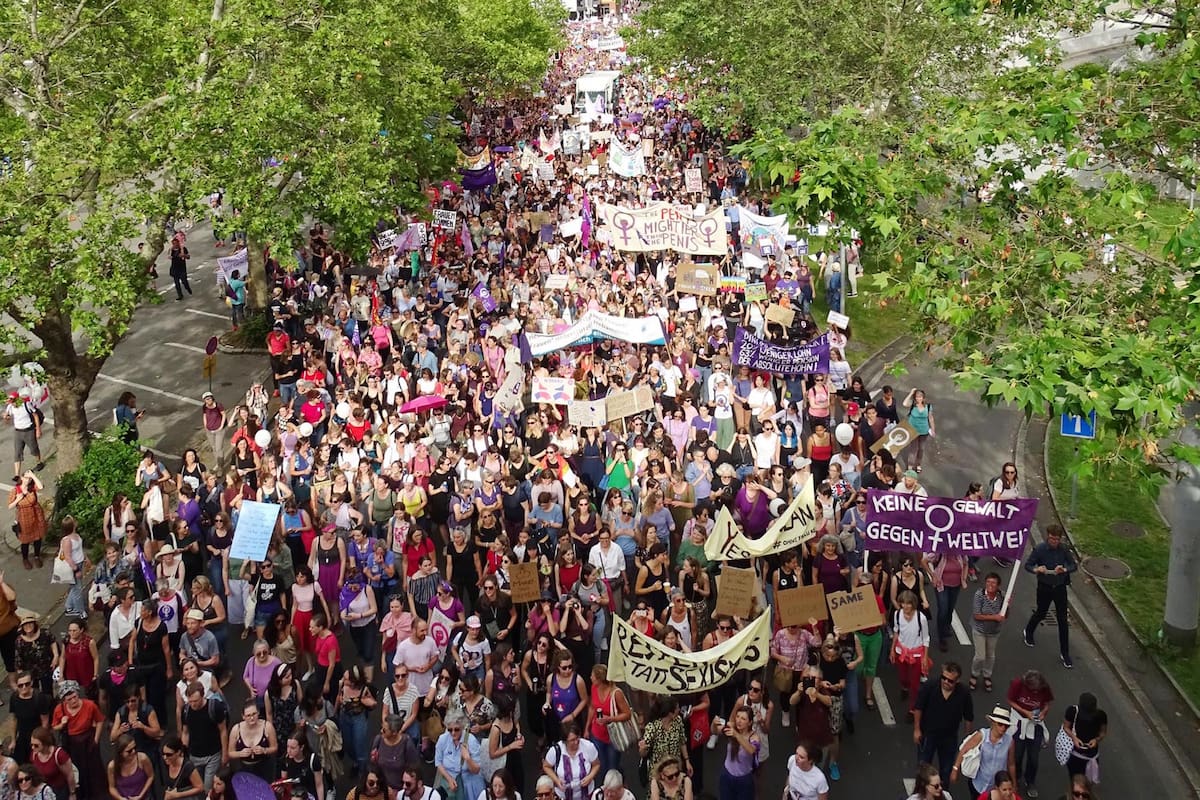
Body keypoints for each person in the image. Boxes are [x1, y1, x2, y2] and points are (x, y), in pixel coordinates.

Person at [1022, 525, 1077, 669]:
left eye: (1057, 539)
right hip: (1045, 586)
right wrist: (1037, 569)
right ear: (1048, 536)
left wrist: (1064, 569)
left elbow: (1073, 565)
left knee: (1062, 620)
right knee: (1041, 612)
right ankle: (1029, 630)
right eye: (1052, 538)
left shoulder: (1064, 549)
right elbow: (1028, 565)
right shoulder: (1040, 549)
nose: (1054, 541)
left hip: (1059, 587)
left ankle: (1065, 653)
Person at [913, 661, 974, 786]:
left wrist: (968, 738)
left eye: (950, 680)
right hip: (928, 734)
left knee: (946, 769)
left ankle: (942, 792)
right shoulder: (929, 686)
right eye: (943, 678)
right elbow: (918, 708)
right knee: (923, 766)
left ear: (957, 681)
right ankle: (921, 791)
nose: (946, 682)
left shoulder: (964, 693)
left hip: (949, 737)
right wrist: (917, 729)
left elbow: (968, 716)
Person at [50, 682, 104, 799]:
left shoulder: (90, 705)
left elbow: (100, 720)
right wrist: (62, 724)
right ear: (64, 700)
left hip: (88, 740)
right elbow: (54, 726)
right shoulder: (59, 709)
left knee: (93, 770)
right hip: (72, 744)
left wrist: (96, 739)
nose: (73, 701)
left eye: (75, 697)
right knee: (76, 771)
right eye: (69, 699)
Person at [1007, 671, 1053, 798]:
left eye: (1038, 691)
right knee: (1017, 755)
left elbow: (1048, 703)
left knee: (1034, 758)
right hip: (1019, 722)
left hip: (1035, 725)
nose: (1036, 693)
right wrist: (1025, 711)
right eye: (1033, 690)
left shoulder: (1045, 687)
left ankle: (1030, 780)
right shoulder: (1017, 684)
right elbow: (1010, 700)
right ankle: (1015, 777)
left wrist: (1043, 713)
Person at [953, 706, 1016, 797]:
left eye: (1006, 726)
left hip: (997, 787)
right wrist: (955, 769)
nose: (1003, 728)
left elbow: (1011, 764)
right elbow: (964, 750)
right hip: (979, 782)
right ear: (992, 723)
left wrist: (1014, 784)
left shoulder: (1009, 741)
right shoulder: (981, 735)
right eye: (1000, 724)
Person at [179, 683, 228, 789]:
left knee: (208, 787)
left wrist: (225, 753)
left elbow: (223, 730)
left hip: (213, 754)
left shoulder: (215, 707)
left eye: (196, 701)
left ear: (203, 695)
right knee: (197, 786)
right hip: (194, 755)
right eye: (190, 701)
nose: (193, 704)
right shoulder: (186, 710)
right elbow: (185, 732)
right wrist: (183, 752)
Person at [434, 710, 484, 800]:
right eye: (450, 730)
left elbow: (476, 770)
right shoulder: (443, 739)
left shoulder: (471, 740)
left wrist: (468, 758)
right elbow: (438, 762)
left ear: (462, 727)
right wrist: (449, 778)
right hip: (448, 782)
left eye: (456, 729)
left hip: (468, 782)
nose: (453, 733)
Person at [542, 723, 599, 800]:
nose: (576, 742)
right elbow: (546, 766)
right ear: (565, 741)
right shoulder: (556, 750)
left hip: (586, 795)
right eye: (572, 740)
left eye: (577, 738)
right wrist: (556, 780)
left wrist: (590, 777)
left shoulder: (588, 746)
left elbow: (596, 764)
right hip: (563, 796)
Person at [970, 573, 1006, 692]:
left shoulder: (1002, 596)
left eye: (993, 583)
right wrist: (994, 617)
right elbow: (977, 615)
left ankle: (987, 675)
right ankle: (974, 674)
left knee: (990, 655)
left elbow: (1005, 615)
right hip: (979, 629)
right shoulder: (979, 595)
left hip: (994, 631)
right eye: (988, 582)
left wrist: (1008, 605)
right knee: (980, 656)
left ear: (998, 585)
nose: (990, 585)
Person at [1061, 694, 1106, 783]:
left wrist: (1096, 740)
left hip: (1092, 754)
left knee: (1089, 781)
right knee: (1074, 780)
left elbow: (1103, 732)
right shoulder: (1072, 712)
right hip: (1075, 753)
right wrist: (1074, 738)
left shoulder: (1101, 715)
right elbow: (1066, 727)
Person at [4, 387, 44, 483]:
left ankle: (39, 462)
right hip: (18, 432)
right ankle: (17, 474)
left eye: (13, 400)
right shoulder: (10, 407)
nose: (12, 403)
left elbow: (35, 415)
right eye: (11, 401)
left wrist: (38, 429)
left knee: (34, 449)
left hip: (28, 430)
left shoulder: (26, 405)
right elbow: (7, 418)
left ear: (17, 400)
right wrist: (6, 417)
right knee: (17, 452)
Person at [8, 474, 47, 570]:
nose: (28, 480)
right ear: (21, 478)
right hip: (24, 517)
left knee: (38, 537)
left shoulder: (32, 487)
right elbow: (10, 506)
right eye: (26, 477)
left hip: (36, 515)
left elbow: (41, 486)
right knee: (25, 540)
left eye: (29, 478)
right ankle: (25, 559)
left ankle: (37, 556)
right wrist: (17, 499)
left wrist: (33, 475)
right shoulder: (15, 490)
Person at [106, 734, 154, 800]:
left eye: (135, 748)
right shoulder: (112, 766)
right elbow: (112, 787)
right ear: (120, 752)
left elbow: (150, 776)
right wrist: (120, 798)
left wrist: (141, 795)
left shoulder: (142, 758)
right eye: (129, 751)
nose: (133, 752)